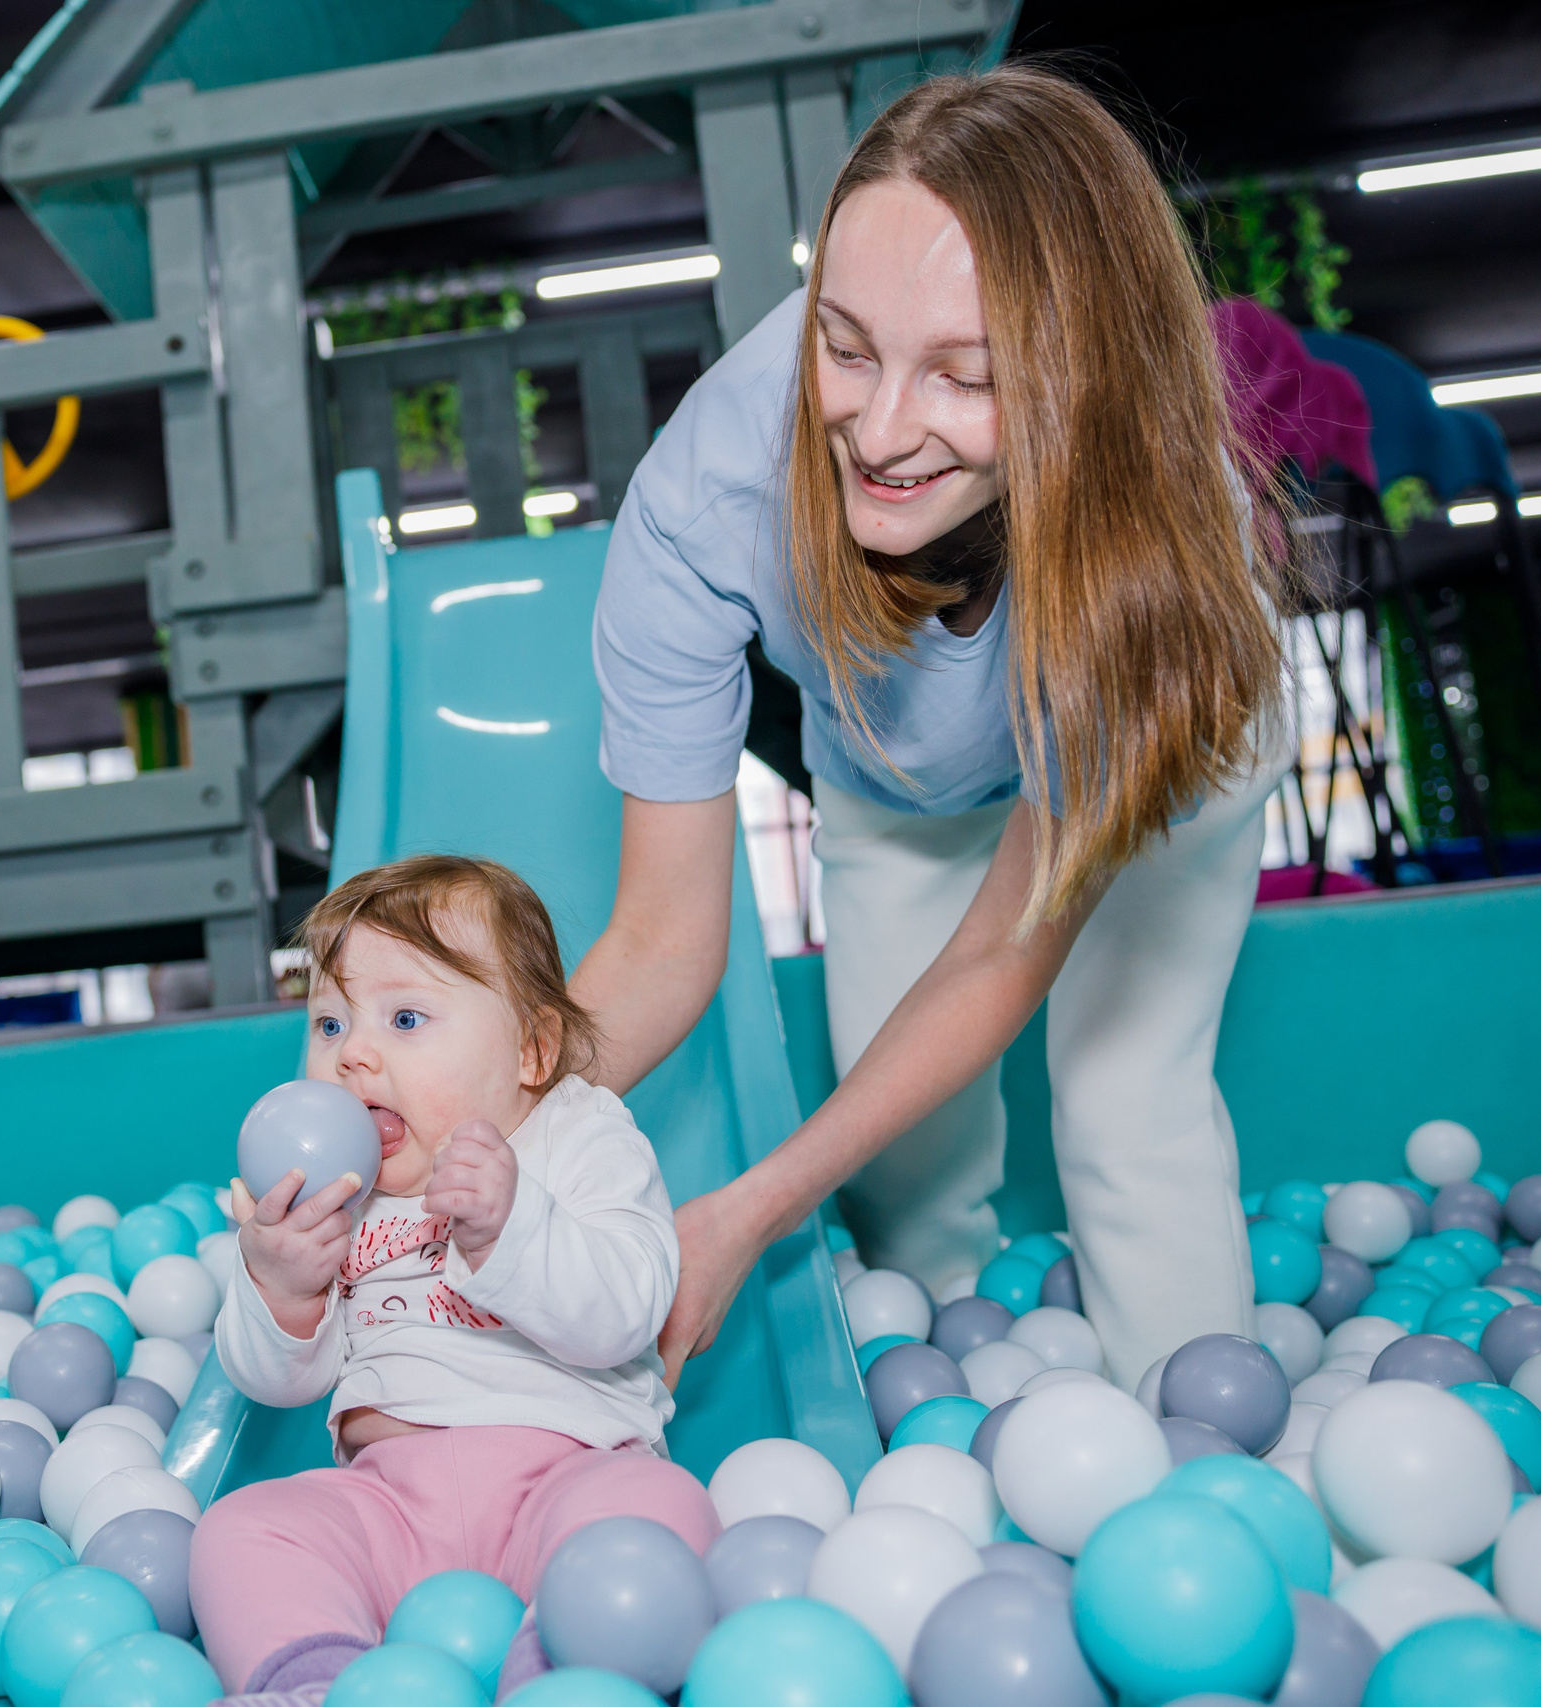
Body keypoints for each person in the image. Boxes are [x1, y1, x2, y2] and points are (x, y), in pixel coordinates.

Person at [576, 65, 1296, 1391]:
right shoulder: (709, 495)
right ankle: (959, 1417)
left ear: (1081, 375)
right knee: (902, 1160)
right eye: (843, 346)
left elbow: (994, 966)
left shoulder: (1155, 547)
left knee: (1125, 1094)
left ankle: (1207, 1450)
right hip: (900, 768)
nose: (882, 429)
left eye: (964, 377)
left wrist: (743, 1212)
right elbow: (659, 938)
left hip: (1161, 751)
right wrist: (467, 1115)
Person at [193, 854, 717, 1701]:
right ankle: (320, 1678)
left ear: (532, 1049)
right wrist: (280, 1283)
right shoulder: (333, 1194)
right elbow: (276, 1381)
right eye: (329, 1024)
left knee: (660, 1507)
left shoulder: (581, 1137)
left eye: (404, 1017)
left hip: (565, 1480)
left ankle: (556, 1666)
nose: (353, 1056)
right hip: (389, 1505)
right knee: (242, 1528)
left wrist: (513, 1227)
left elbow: (628, 1312)